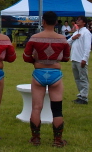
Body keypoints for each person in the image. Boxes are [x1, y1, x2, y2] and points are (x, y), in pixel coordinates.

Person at [23, 11, 70, 147]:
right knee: (57, 109)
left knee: (36, 107)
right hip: (55, 73)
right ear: (56, 22)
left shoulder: (34, 38)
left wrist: (35, 61)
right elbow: (66, 58)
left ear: (43, 21)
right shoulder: (62, 39)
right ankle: (57, 140)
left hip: (39, 72)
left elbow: (26, 56)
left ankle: (36, 138)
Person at [67, 16, 92, 104]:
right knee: (77, 78)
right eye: (77, 19)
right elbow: (67, 43)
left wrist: (84, 59)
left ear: (84, 22)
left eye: (79, 20)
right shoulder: (76, 32)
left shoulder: (86, 32)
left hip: (81, 59)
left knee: (83, 78)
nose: (77, 21)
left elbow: (87, 47)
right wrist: (73, 38)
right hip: (74, 58)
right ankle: (81, 95)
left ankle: (84, 97)